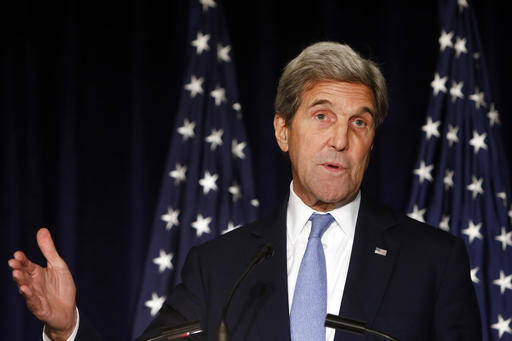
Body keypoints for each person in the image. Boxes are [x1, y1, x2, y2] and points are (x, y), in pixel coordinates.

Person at [8, 41, 482, 341]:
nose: (341, 138)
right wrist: (67, 327)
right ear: (282, 131)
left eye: (359, 122)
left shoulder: (433, 262)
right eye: (322, 116)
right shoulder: (221, 267)